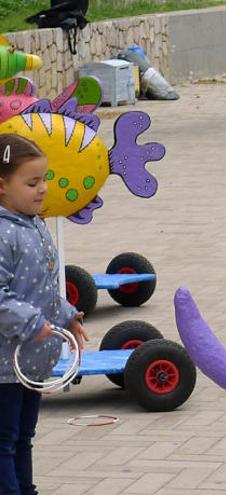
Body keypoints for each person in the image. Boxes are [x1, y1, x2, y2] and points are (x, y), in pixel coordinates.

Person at [0, 134, 88, 495]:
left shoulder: (34, 224)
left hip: (30, 362)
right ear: (2, 186)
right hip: (4, 366)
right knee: (4, 441)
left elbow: (42, 288)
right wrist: (33, 323)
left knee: (24, 435)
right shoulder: (4, 232)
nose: (42, 189)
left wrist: (67, 315)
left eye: (44, 180)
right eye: (32, 182)